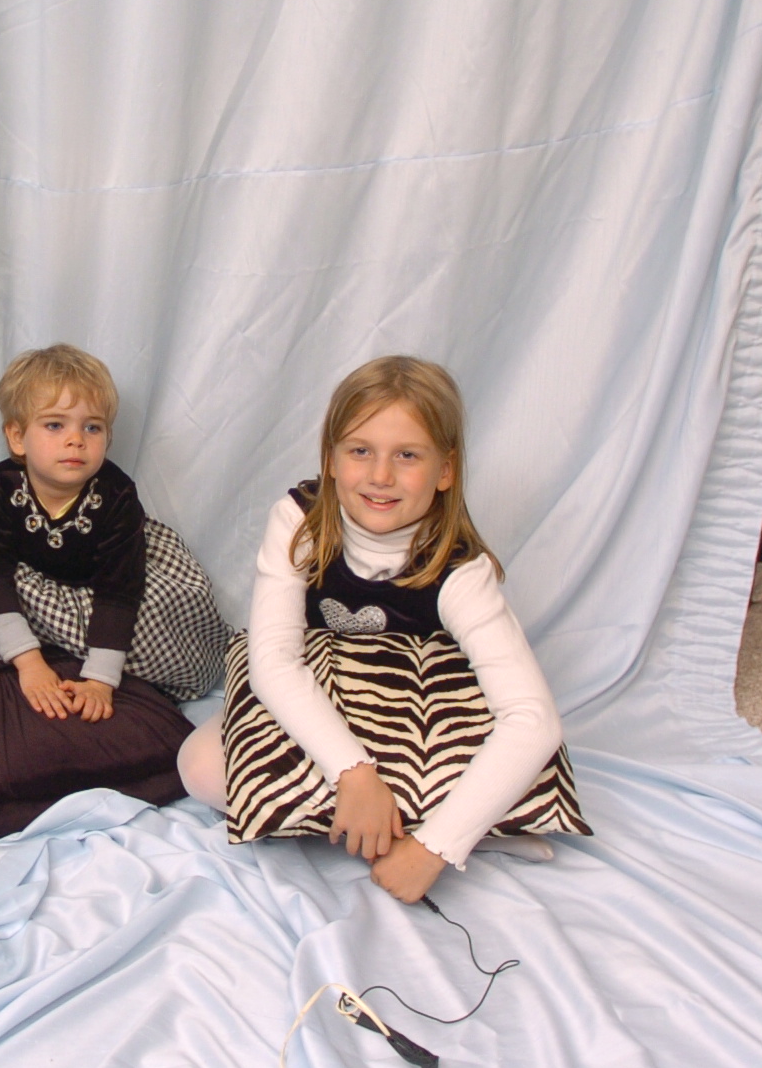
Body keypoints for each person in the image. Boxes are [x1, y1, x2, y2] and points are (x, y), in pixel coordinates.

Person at [176, 355, 588, 903]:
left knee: (514, 766)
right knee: (202, 768)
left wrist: (434, 849)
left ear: (445, 470)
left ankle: (442, 830)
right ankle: (406, 817)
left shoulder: (462, 573)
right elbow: (273, 660)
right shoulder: (299, 522)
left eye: (408, 455)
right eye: (360, 451)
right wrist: (353, 774)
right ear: (330, 458)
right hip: (322, 702)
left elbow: (533, 720)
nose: (380, 476)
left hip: (413, 717)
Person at [0, 345, 223, 838]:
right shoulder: (0, 487)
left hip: (97, 591)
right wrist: (29, 664)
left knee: (149, 617)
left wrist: (101, 680)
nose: (76, 440)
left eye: (92, 427)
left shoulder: (116, 496)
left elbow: (118, 592)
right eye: (55, 425)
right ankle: (16, 659)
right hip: (29, 580)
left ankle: (90, 663)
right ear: (17, 437)